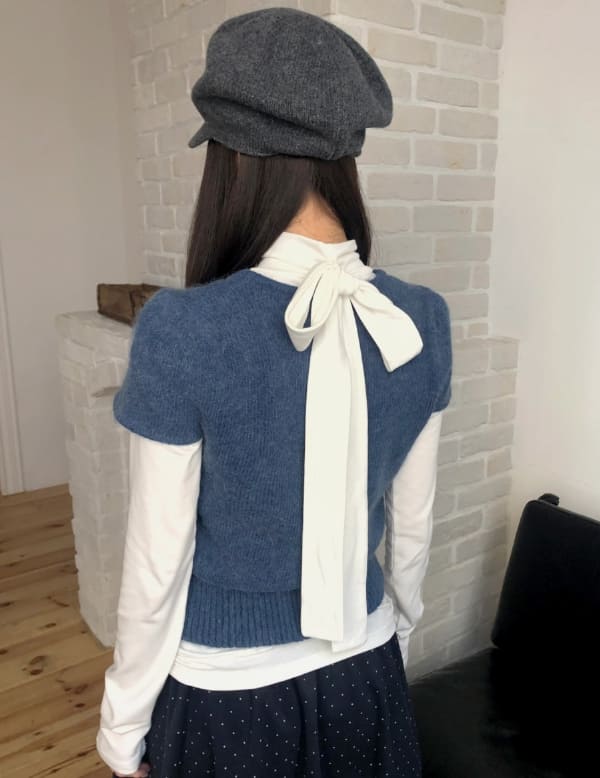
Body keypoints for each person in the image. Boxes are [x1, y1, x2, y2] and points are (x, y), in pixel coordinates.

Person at [95, 7, 452, 777]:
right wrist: (395, 637)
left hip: (228, 695)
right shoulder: (422, 319)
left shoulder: (181, 328)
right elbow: (413, 527)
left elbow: (156, 565)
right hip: (366, 667)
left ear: (233, 159)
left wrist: (122, 729)